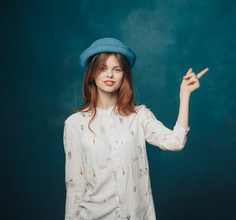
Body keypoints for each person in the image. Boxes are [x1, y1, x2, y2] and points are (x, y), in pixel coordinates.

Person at [63, 37, 209, 220]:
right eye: (103, 68)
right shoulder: (75, 124)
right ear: (92, 73)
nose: (110, 75)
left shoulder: (139, 116)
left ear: (124, 75)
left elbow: (176, 142)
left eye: (117, 69)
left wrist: (185, 95)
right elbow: (75, 185)